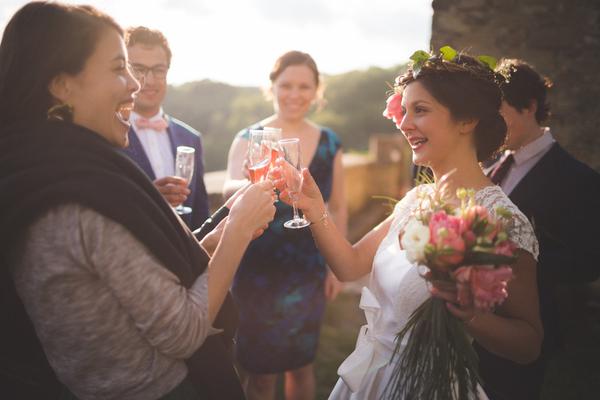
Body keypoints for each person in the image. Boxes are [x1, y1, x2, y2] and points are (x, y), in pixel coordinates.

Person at [0, 2, 275, 399]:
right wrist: (240, 231)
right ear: (62, 85)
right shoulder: (78, 200)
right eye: (118, 68)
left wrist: (217, 238)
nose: (134, 84)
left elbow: (127, 283)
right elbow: (183, 331)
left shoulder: (42, 171)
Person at [273, 50, 543, 399]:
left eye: (421, 110)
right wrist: (312, 208)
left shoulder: (503, 221)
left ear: (467, 120)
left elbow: (529, 343)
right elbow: (349, 265)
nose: (404, 123)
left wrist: (471, 316)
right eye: (405, 110)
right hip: (369, 378)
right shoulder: (416, 199)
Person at [223, 50, 347, 399]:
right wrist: (251, 181)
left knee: (301, 366)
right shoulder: (250, 138)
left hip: (308, 267)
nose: (295, 94)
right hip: (256, 268)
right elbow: (228, 191)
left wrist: (335, 267)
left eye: (304, 86)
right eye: (286, 85)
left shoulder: (330, 142)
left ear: (316, 90)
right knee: (260, 374)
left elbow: (338, 207)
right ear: (272, 87)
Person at [479, 58, 600, 400]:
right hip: (477, 322)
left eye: (499, 112)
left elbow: (589, 262)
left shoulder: (578, 179)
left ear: (529, 107)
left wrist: (516, 261)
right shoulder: (491, 165)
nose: (492, 125)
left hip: (529, 326)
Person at [122, 26, 209, 230]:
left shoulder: (191, 138)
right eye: (139, 69)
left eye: (158, 70)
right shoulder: (107, 134)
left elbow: (201, 213)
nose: (149, 80)